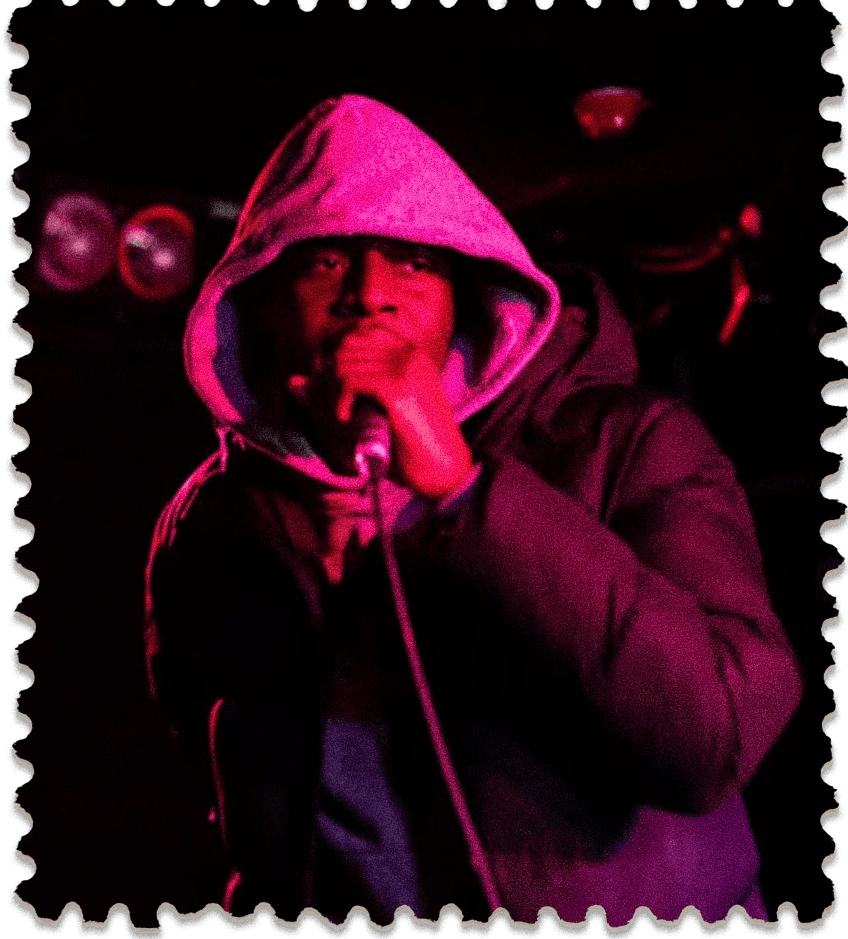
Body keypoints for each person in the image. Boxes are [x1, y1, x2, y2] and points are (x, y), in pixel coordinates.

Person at [144, 94, 802, 927]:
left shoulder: (630, 442)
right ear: (263, 299)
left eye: (415, 262)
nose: (370, 295)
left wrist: (466, 490)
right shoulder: (214, 522)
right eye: (326, 262)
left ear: (470, 295)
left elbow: (716, 736)